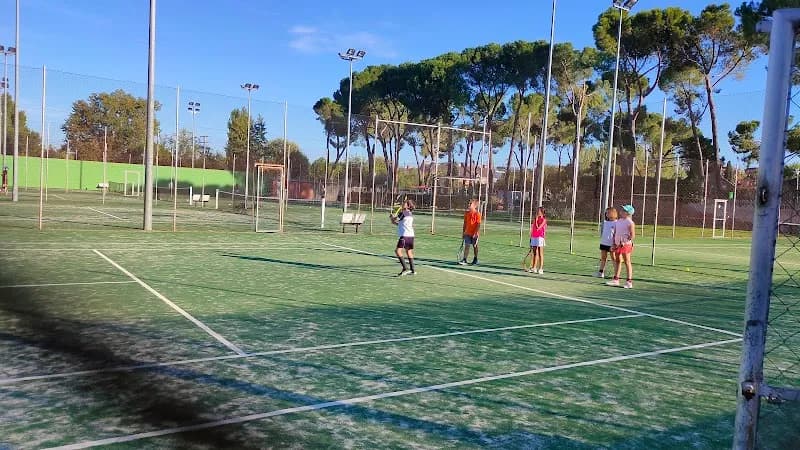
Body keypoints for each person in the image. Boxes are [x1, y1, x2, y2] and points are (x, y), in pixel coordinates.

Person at [607, 204, 636, 289]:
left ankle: (629, 281)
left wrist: (625, 242)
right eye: (622, 210)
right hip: (617, 244)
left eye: (624, 210)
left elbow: (632, 235)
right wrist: (614, 243)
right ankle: (616, 280)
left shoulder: (630, 222)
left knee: (627, 261)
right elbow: (615, 233)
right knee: (618, 261)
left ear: (628, 213)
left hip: (626, 245)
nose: (621, 211)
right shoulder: (618, 221)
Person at [390, 199, 416, 276]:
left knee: (397, 251)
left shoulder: (403, 213)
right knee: (409, 252)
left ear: (408, 206)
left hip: (405, 235)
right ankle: (412, 270)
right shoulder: (409, 213)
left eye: (404, 203)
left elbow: (395, 219)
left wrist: (392, 217)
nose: (402, 204)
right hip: (411, 235)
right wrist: (392, 219)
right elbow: (399, 224)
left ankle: (405, 268)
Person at [595, 207, 618, 278]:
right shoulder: (604, 222)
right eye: (606, 213)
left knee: (613, 258)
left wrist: (615, 244)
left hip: (611, 244)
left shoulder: (616, 223)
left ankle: (616, 274)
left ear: (613, 213)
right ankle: (601, 272)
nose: (606, 214)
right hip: (603, 243)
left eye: (608, 212)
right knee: (603, 258)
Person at [525, 207, 547, 274]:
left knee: (540, 253)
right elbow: (533, 228)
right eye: (537, 211)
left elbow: (538, 228)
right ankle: (534, 267)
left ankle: (540, 269)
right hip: (534, 237)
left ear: (542, 212)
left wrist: (536, 220)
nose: (537, 212)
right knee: (534, 253)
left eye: (539, 211)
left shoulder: (544, 220)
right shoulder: (535, 219)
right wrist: (531, 236)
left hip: (540, 237)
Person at [460, 199, 482, 266]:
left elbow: (478, 225)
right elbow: (465, 224)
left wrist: (475, 233)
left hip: (474, 234)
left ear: (475, 206)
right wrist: (463, 232)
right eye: (468, 203)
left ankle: (475, 259)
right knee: (467, 246)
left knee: (475, 246)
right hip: (467, 233)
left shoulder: (477, 214)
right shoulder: (466, 214)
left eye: (470, 204)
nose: (469, 205)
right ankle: (464, 259)